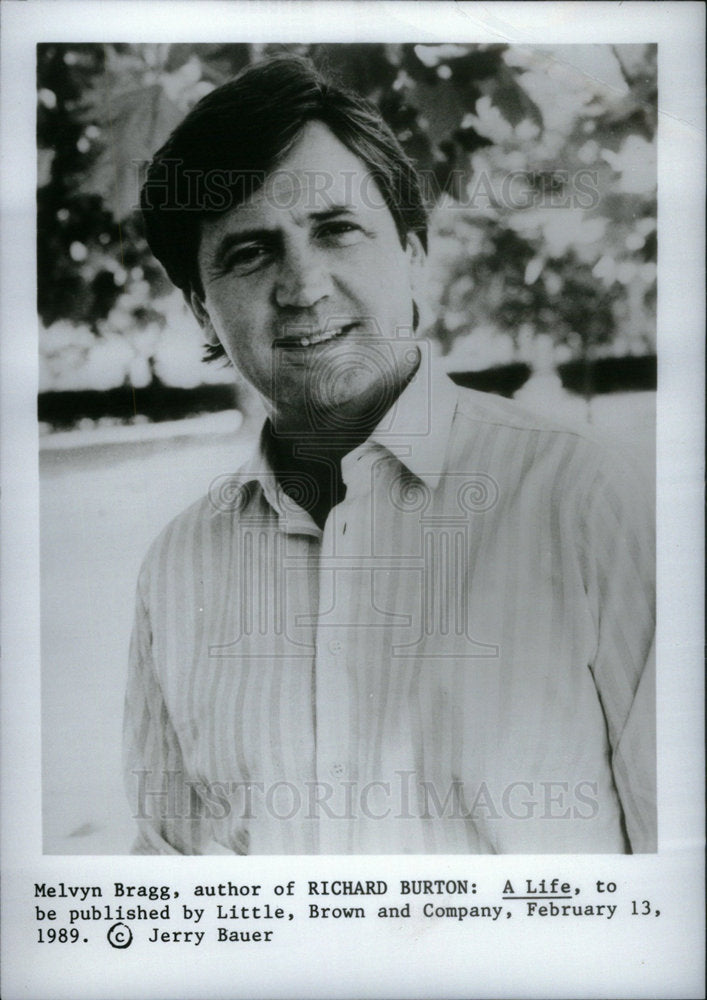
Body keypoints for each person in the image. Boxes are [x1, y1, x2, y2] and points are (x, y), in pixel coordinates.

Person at [125, 54, 656, 855]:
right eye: (249, 252)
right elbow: (168, 890)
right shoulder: (176, 570)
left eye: (336, 229)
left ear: (412, 255)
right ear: (203, 311)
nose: (303, 286)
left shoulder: (589, 499)